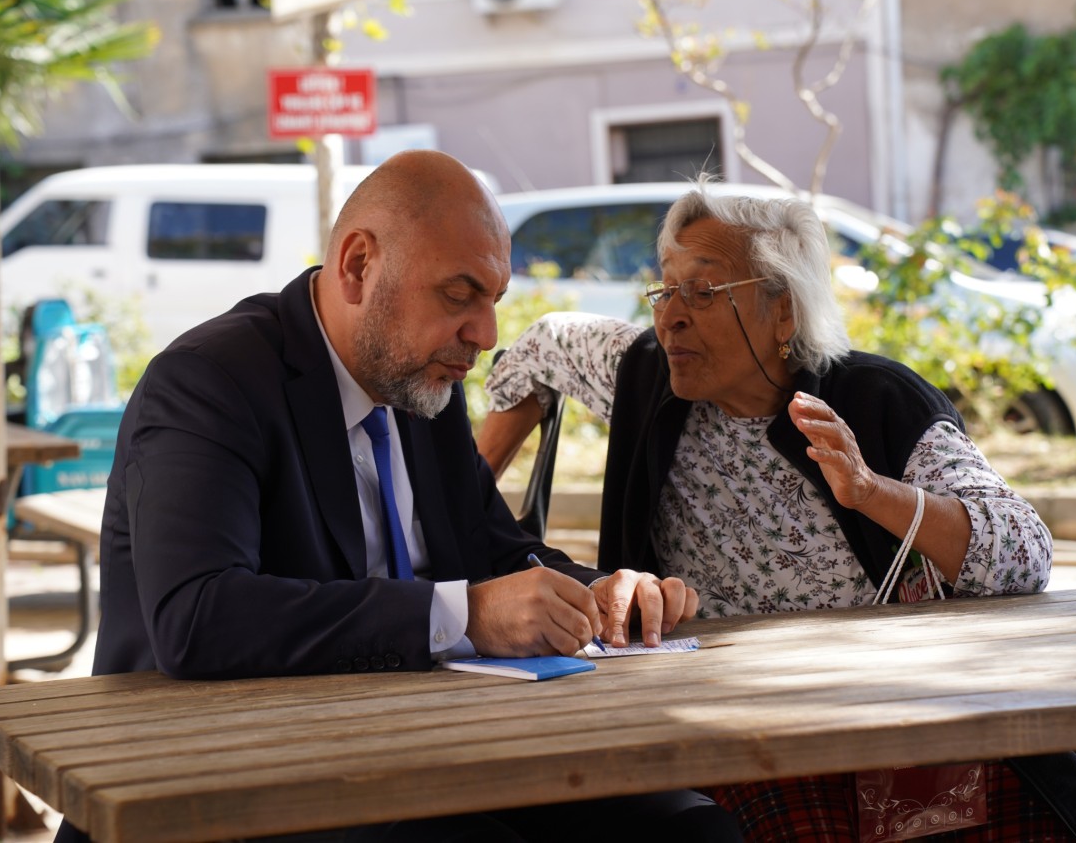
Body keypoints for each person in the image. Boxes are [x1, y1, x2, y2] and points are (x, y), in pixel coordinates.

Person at [55, 151, 740, 843]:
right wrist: (463, 614)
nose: (486, 336)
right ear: (358, 266)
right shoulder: (208, 382)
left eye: (493, 302)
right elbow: (198, 618)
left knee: (691, 831)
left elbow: (495, 550)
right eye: (457, 294)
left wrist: (598, 592)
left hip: (412, 751)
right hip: (221, 780)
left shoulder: (422, 388)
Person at [478, 181, 1076, 842]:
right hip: (742, 721)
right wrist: (474, 507)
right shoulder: (647, 373)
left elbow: (1025, 552)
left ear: (784, 314)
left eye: (705, 292)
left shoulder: (878, 401)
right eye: (666, 287)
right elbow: (543, 347)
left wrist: (871, 491)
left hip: (909, 711)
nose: (670, 315)